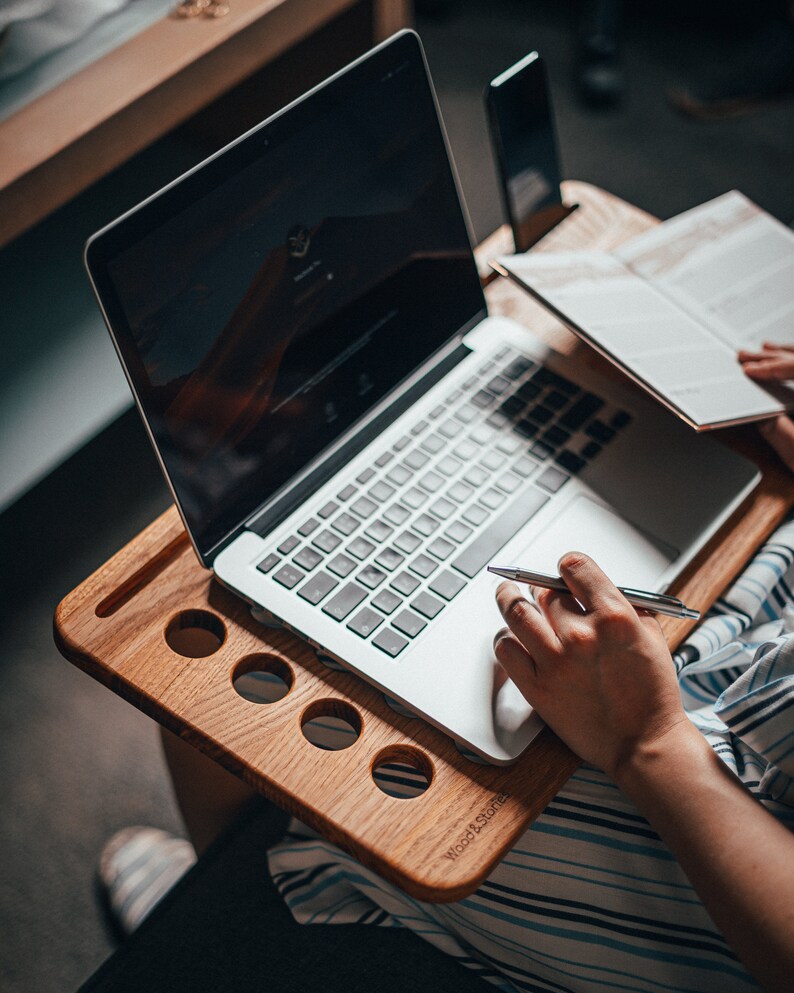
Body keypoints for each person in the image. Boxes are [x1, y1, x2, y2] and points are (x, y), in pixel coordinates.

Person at [100, 348, 794, 990]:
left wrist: (650, 741)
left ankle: (218, 905)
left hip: (723, 839)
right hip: (762, 657)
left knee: (218, 671)